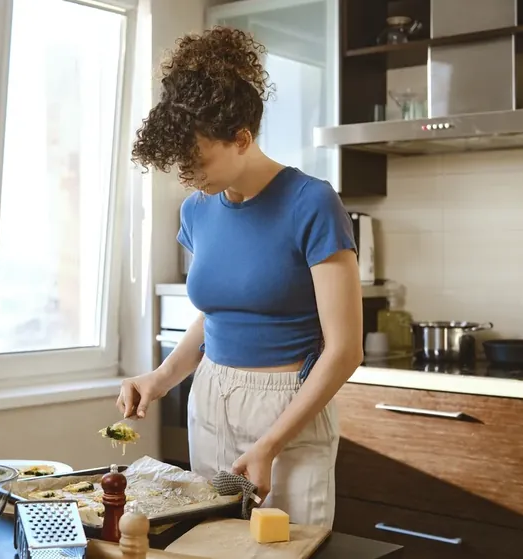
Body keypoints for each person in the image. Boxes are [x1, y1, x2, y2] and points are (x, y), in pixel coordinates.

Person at [117, 26, 363, 528]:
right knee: (212, 544)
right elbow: (215, 317)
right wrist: (161, 378)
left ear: (242, 139)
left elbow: (345, 351)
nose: (187, 176)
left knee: (287, 547)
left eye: (197, 160)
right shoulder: (197, 210)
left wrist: (271, 442)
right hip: (209, 398)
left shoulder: (311, 202)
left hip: (286, 408)